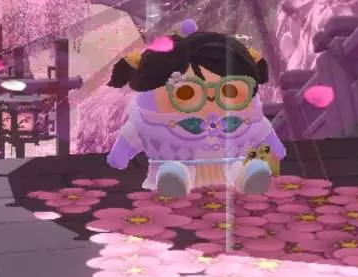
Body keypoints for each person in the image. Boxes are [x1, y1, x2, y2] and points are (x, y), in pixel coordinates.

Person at [104, 21, 286, 197]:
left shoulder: (250, 121)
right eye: (186, 93)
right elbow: (122, 149)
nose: (211, 99)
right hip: (176, 167)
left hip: (233, 172)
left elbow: (273, 145)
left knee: (247, 169)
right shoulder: (146, 124)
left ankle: (250, 176)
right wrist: (119, 158)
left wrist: (276, 151)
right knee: (173, 171)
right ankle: (173, 178)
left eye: (229, 90)